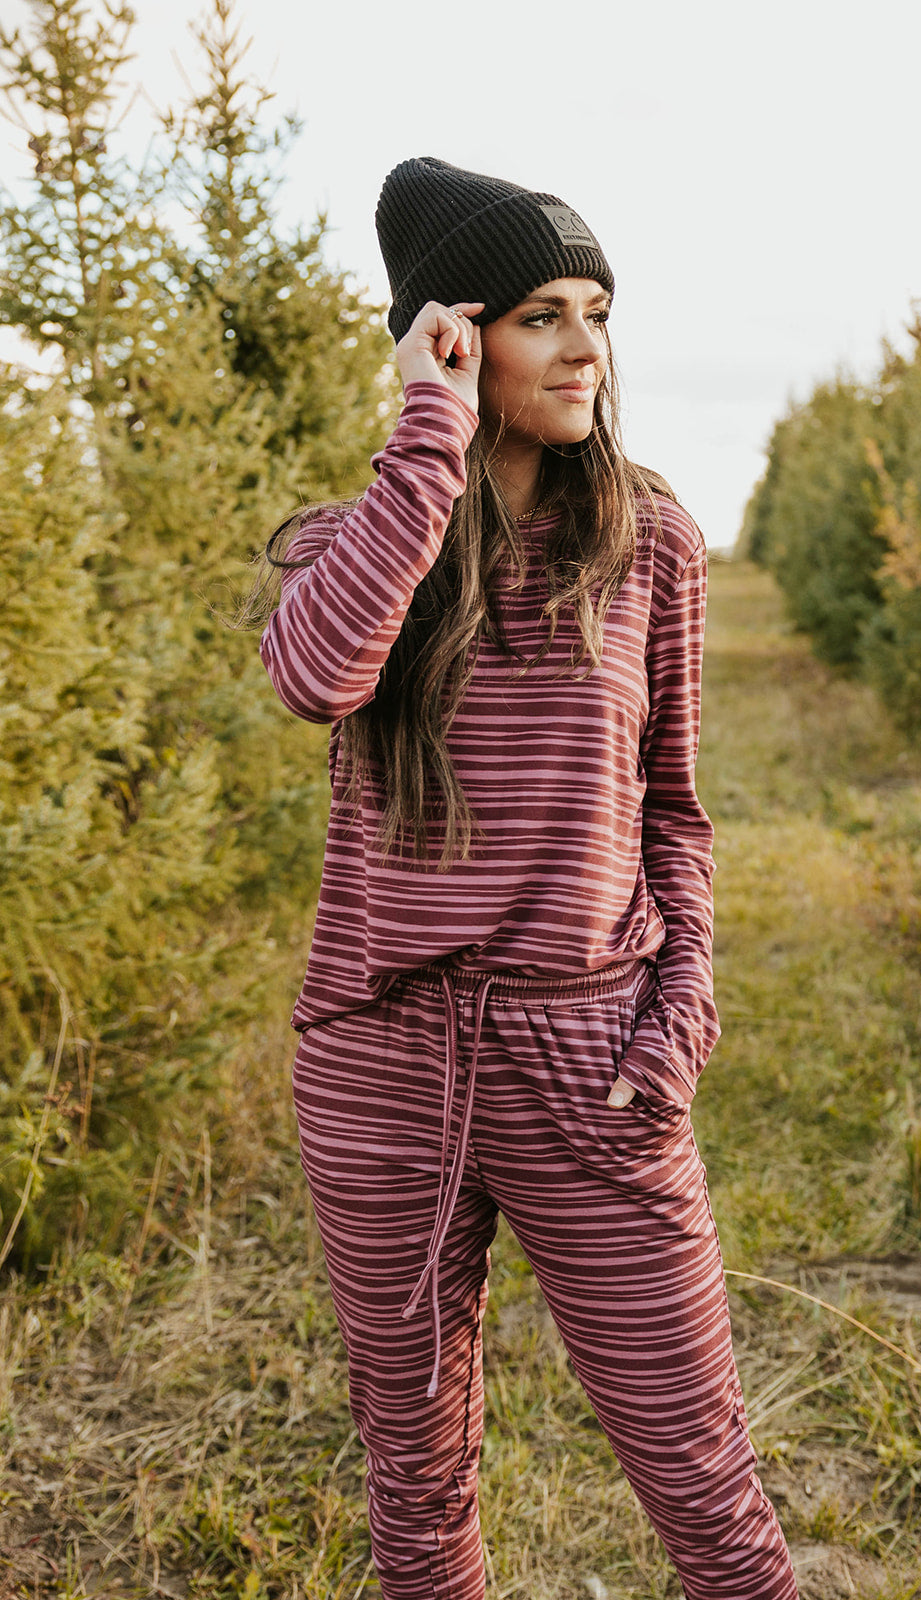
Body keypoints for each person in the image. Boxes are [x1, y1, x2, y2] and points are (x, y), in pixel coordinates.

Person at [259, 156, 798, 1600]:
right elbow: (316, 678)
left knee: (703, 1477)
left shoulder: (649, 540)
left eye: (597, 314)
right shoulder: (353, 542)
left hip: (588, 1045)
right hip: (379, 1058)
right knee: (416, 1482)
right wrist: (427, 437)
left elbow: (674, 808)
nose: (584, 350)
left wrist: (678, 1012)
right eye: (540, 316)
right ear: (454, 334)